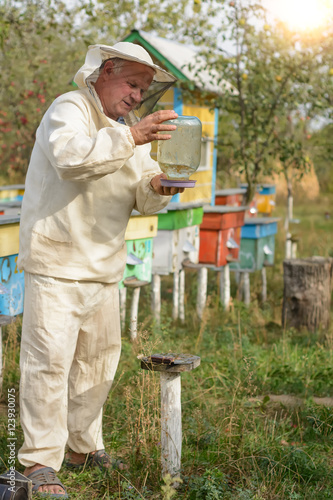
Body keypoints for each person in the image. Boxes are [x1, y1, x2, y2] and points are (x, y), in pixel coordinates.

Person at [17, 42, 184, 498]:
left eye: (143, 89)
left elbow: (143, 194)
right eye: (132, 83)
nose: (136, 96)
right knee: (48, 365)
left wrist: (162, 183)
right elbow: (72, 159)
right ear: (105, 70)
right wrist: (132, 139)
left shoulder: (128, 129)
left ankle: (82, 447)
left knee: (97, 364)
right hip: (57, 263)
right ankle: (37, 461)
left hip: (102, 265)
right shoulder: (68, 109)